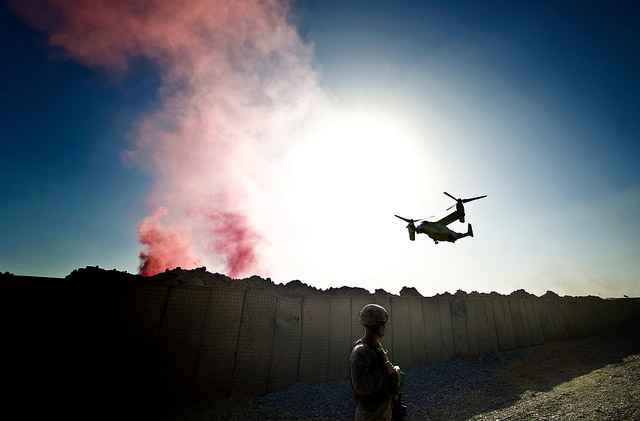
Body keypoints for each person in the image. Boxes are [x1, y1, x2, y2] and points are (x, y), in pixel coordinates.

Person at [350, 303, 404, 420]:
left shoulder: (376, 347)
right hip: (370, 415)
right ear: (374, 325)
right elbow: (360, 386)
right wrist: (386, 373)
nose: (385, 327)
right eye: (383, 324)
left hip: (383, 412)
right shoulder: (361, 351)